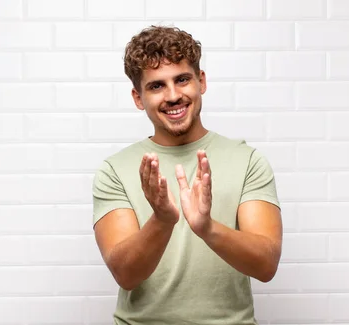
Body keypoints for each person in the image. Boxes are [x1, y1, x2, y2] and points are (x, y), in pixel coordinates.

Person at [92, 25, 283, 325]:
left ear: (201, 81)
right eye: (156, 86)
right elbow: (126, 274)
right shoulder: (114, 170)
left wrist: (206, 227)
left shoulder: (248, 161)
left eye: (182, 80)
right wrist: (163, 219)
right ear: (138, 97)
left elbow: (266, 265)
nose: (173, 95)